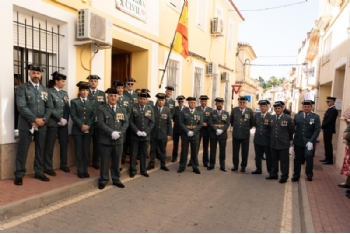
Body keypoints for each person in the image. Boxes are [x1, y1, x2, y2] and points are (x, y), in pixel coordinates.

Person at [14, 64, 53, 186]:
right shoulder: (22, 88)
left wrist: (44, 120)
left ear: (41, 75)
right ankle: (19, 174)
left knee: (40, 149)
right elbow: (21, 106)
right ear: (29, 74)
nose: (36, 75)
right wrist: (35, 119)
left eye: (38, 73)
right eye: (34, 73)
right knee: (23, 150)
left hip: (42, 125)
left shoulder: (45, 90)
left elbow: (50, 107)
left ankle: (39, 172)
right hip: (26, 125)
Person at [97, 88, 128, 190]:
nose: (113, 97)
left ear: (118, 97)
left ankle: (116, 179)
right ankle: (103, 180)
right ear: (107, 97)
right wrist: (111, 132)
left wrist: (119, 133)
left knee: (116, 161)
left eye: (115, 96)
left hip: (118, 140)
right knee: (105, 161)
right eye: (111, 96)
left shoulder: (122, 109)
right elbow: (100, 123)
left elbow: (126, 123)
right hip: (105, 140)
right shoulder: (101, 109)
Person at [43, 72, 70, 176]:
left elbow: (67, 107)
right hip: (53, 123)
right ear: (56, 81)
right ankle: (48, 167)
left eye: (64, 81)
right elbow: (49, 108)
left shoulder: (64, 93)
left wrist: (66, 119)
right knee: (49, 145)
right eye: (62, 81)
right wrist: (59, 118)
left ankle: (64, 164)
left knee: (64, 144)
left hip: (63, 124)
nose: (64, 83)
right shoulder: (49, 92)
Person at [71, 81, 96, 179]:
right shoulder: (74, 102)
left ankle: (85, 169)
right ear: (80, 91)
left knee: (86, 150)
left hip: (88, 130)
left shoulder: (92, 102)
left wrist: (88, 125)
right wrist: (82, 125)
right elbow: (73, 115)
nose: (85, 92)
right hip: (78, 130)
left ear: (88, 91)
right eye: (83, 90)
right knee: (79, 150)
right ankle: (79, 170)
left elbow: (94, 115)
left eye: (86, 90)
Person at [292, 100, 320, 182]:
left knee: (308, 157)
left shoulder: (315, 117)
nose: (306, 108)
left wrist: (311, 141)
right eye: (305, 106)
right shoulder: (297, 116)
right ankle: (296, 175)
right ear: (302, 107)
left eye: (308, 107)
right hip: (298, 140)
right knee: (297, 158)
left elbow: (317, 129)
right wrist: (290, 138)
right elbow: (293, 127)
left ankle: (309, 174)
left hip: (309, 141)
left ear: (311, 107)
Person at [267, 101, 295, 183]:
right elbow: (270, 129)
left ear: (282, 108)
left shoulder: (288, 118)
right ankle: (274, 174)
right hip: (273, 142)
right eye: (275, 108)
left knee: (284, 161)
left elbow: (291, 130)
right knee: (274, 160)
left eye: (279, 108)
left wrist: (289, 140)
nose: (277, 110)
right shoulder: (271, 118)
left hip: (283, 143)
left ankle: (284, 176)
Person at [129, 92, 155, 178]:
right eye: (141, 99)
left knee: (143, 153)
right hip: (135, 135)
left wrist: (146, 132)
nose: (142, 100)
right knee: (133, 153)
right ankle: (133, 170)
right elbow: (130, 121)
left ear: (146, 100)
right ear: (138, 99)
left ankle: (143, 170)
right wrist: (136, 131)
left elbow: (152, 122)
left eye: (144, 99)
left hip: (145, 136)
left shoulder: (150, 109)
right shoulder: (133, 108)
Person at [147, 93, 172, 171]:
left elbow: (169, 123)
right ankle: (151, 164)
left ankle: (163, 164)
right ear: (157, 100)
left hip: (163, 134)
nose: (161, 102)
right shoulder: (152, 109)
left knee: (163, 150)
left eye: (162, 100)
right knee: (153, 150)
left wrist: (169, 134)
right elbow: (148, 121)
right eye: (159, 100)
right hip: (153, 133)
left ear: (164, 101)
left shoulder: (167, 110)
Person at [178, 97, 203, 174]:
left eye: (194, 103)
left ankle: (195, 167)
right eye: (191, 102)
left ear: (196, 104)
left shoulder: (199, 112)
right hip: (185, 135)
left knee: (194, 151)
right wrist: (187, 131)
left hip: (195, 135)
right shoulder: (183, 112)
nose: (192, 104)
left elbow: (200, 124)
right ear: (188, 103)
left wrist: (193, 132)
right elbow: (181, 123)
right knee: (184, 151)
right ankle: (182, 166)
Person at [87, 75, 106, 170]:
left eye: (95, 81)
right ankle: (86, 161)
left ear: (97, 83)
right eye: (92, 81)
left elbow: (104, 107)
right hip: (88, 122)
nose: (93, 82)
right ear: (89, 82)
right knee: (87, 143)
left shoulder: (102, 94)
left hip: (98, 123)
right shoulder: (85, 92)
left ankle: (95, 161)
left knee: (97, 143)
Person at [230, 96, 254, 172]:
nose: (242, 103)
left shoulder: (249, 111)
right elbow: (231, 121)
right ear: (238, 102)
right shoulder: (234, 110)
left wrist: (246, 128)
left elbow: (252, 123)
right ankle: (235, 165)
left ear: (246, 103)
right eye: (240, 102)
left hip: (245, 134)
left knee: (245, 151)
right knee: (235, 151)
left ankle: (243, 166)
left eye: (243, 102)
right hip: (236, 134)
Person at [207, 97, 230, 172]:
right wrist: (216, 129)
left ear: (222, 104)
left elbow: (227, 123)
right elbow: (210, 123)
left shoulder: (226, 113)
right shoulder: (212, 113)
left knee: (222, 150)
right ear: (215, 104)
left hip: (222, 135)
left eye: (221, 103)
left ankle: (222, 166)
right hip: (214, 133)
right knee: (213, 150)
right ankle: (211, 164)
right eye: (218, 103)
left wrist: (222, 130)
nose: (219, 104)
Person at [113, 81, 131, 165]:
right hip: (114, 123)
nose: (120, 90)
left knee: (123, 142)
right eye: (118, 88)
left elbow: (128, 111)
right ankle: (116, 160)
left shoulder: (127, 99)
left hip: (123, 124)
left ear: (124, 89)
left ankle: (122, 158)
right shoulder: (113, 98)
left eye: (121, 88)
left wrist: (124, 118)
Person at [252, 100, 272, 175]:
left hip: (266, 139)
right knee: (257, 156)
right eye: (261, 106)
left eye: (264, 106)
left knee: (268, 156)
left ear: (267, 107)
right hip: (257, 139)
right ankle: (258, 169)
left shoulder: (270, 116)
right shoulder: (256, 115)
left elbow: (271, 128)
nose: (262, 107)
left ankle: (270, 171)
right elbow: (254, 124)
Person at [193, 95, 213, 168]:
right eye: (202, 101)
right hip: (198, 130)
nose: (204, 102)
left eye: (205, 101)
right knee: (196, 146)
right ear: (200, 101)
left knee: (205, 147)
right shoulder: (196, 109)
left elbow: (211, 120)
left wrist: (207, 124)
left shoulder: (210, 110)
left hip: (207, 131)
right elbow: (194, 118)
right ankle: (194, 161)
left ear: (206, 102)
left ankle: (205, 162)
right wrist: (199, 123)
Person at [123, 78, 138, 162]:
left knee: (133, 141)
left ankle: (133, 158)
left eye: (131, 84)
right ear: (125, 85)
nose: (130, 85)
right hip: (125, 120)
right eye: (128, 84)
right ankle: (123, 157)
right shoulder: (124, 95)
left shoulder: (137, 95)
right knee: (125, 140)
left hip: (135, 120)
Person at [320, 96, 338, 165]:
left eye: (328, 101)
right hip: (326, 129)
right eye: (327, 101)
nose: (327, 103)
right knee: (326, 144)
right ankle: (326, 158)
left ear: (333, 102)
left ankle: (329, 160)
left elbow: (329, 120)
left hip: (329, 129)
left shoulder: (333, 110)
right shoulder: (329, 109)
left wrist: (322, 126)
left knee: (328, 144)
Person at [171, 95, 187, 162]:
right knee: (175, 144)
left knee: (184, 144)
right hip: (176, 129)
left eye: (182, 101)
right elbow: (173, 117)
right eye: (179, 101)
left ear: (184, 101)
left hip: (184, 130)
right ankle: (174, 157)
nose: (180, 102)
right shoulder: (175, 108)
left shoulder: (187, 109)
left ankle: (182, 157)